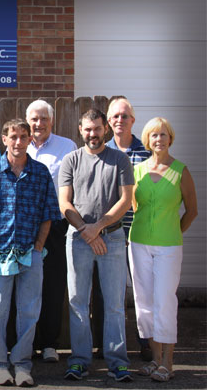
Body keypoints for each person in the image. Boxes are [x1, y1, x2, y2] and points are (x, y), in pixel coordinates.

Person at [0, 119, 60, 386]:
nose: (18, 142)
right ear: (4, 139)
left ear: (30, 139)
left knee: (29, 312)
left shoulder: (40, 173)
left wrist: (39, 247)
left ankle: (21, 364)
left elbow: (48, 215)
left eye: (23, 136)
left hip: (31, 253)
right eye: (13, 137)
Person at [58, 109, 134, 382]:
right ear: (80, 130)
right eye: (88, 129)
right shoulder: (71, 160)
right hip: (78, 238)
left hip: (112, 238)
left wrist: (98, 228)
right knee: (78, 301)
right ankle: (79, 361)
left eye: (98, 129)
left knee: (114, 303)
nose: (93, 134)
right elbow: (65, 203)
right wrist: (85, 230)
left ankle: (117, 362)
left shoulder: (120, 159)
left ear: (106, 130)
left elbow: (125, 201)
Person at [129, 117, 197, 382]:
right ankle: (154, 359)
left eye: (163, 135)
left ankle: (168, 362)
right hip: (139, 242)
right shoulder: (138, 170)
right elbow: (136, 207)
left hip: (169, 246)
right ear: (148, 139)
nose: (159, 139)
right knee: (144, 302)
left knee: (165, 301)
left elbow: (192, 211)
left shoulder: (181, 170)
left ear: (170, 138)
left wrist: (174, 230)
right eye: (154, 135)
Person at [25, 100, 77, 363]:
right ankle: (26, 343)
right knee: (25, 284)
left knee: (53, 285)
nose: (39, 124)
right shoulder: (19, 145)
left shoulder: (67, 147)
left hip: (56, 225)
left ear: (52, 121)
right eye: (34, 119)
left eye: (43, 118)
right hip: (24, 226)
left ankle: (49, 344)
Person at [102, 96, 152, 361]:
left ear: (133, 120)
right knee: (111, 294)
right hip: (110, 234)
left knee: (143, 292)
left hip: (139, 234)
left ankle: (146, 341)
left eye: (125, 116)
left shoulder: (147, 152)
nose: (120, 120)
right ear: (108, 121)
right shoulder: (101, 151)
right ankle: (112, 344)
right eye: (115, 116)